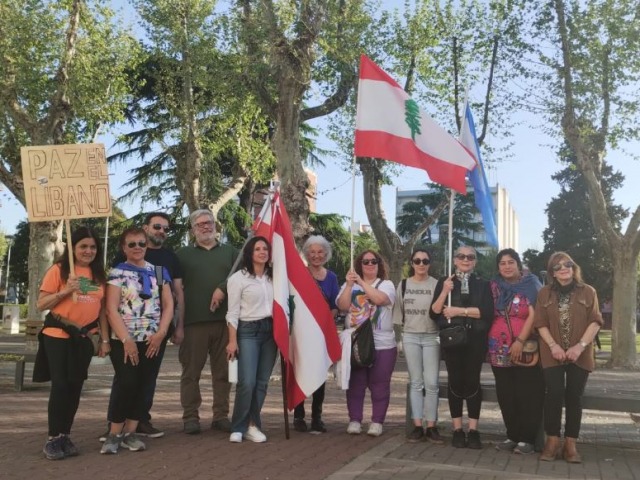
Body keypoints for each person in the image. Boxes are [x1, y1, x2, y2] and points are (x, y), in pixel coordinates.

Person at [101, 212, 184, 440]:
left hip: (153, 337)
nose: (138, 247)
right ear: (124, 247)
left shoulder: (160, 270)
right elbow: (111, 308)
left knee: (146, 382)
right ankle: (114, 429)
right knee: (127, 381)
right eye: (132, 244)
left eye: (141, 244)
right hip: (125, 337)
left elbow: (169, 304)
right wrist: (124, 339)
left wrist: (161, 333)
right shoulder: (117, 271)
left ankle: (133, 430)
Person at [35, 226, 110, 460]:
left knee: (75, 386)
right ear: (73, 248)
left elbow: (102, 312)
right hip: (58, 335)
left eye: (93, 247)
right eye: (83, 246)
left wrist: (104, 340)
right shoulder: (59, 270)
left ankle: (65, 435)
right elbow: (41, 304)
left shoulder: (99, 276)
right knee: (61, 385)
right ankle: (53, 438)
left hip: (85, 338)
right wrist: (66, 290)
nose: (88, 251)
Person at [535, 252, 602, 464]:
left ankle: (570, 444)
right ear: (552, 273)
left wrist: (580, 346)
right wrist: (553, 346)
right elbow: (540, 323)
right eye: (558, 266)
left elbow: (595, 321)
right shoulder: (544, 293)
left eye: (568, 264)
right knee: (553, 394)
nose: (563, 268)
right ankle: (552, 441)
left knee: (574, 396)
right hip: (551, 353)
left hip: (579, 354)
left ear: (574, 268)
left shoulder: (588, 291)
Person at [177, 209, 239, 434]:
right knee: (191, 373)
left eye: (209, 222)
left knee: (223, 373)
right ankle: (190, 417)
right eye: (200, 224)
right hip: (194, 323)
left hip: (225, 323)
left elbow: (240, 276)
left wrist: (222, 289)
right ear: (193, 229)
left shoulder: (232, 253)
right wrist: (177, 325)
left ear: (216, 225)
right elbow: (173, 289)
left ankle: (221, 415)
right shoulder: (182, 255)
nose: (206, 227)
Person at [429, 246, 493, 449]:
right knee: (455, 381)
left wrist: (460, 310)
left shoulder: (482, 284)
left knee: (473, 382)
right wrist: (445, 292)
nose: (466, 259)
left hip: (475, 339)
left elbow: (486, 312)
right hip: (453, 340)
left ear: (474, 261)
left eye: (470, 257)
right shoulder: (445, 282)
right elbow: (435, 312)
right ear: (455, 260)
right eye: (461, 256)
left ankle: (473, 429)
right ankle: (457, 429)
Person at [488, 249, 543, 455]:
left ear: (519, 264)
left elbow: (534, 315)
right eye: (502, 263)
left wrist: (520, 340)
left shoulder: (532, 285)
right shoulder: (493, 286)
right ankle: (512, 435)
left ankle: (527, 439)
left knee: (526, 392)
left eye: (511, 262)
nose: (507, 266)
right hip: (498, 347)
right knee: (506, 394)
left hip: (525, 345)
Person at [336, 250, 396, 437]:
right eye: (365, 261)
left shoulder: (386, 284)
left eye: (373, 261)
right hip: (355, 342)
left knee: (379, 383)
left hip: (382, 343)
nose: (369, 264)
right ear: (359, 264)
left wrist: (361, 283)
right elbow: (343, 306)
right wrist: (349, 285)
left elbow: (380, 299)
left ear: (379, 264)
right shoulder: (350, 285)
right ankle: (355, 419)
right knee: (356, 383)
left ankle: (377, 421)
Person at [226, 236, 277, 443]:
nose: (262, 252)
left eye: (265, 248)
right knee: (247, 381)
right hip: (248, 331)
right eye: (257, 249)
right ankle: (238, 426)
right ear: (250, 253)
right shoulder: (238, 278)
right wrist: (232, 341)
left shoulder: (275, 277)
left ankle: (253, 425)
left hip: (270, 332)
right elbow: (232, 313)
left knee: (262, 382)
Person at [392, 249, 442, 443]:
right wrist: (399, 339)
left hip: (432, 336)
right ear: (411, 263)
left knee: (431, 383)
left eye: (425, 260)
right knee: (415, 382)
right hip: (410, 336)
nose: (421, 264)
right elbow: (397, 314)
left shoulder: (437, 285)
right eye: (417, 260)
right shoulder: (403, 285)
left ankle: (431, 426)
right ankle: (417, 425)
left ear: (430, 263)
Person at [292, 235, 340, 434]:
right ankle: (298, 415)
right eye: (312, 252)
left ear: (326, 254)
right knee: (300, 372)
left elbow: (335, 305)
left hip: (321, 333)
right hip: (302, 333)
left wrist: (324, 323)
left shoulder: (332, 278)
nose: (316, 256)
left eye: (320, 252)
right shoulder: (299, 275)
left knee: (320, 374)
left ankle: (317, 417)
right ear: (306, 254)